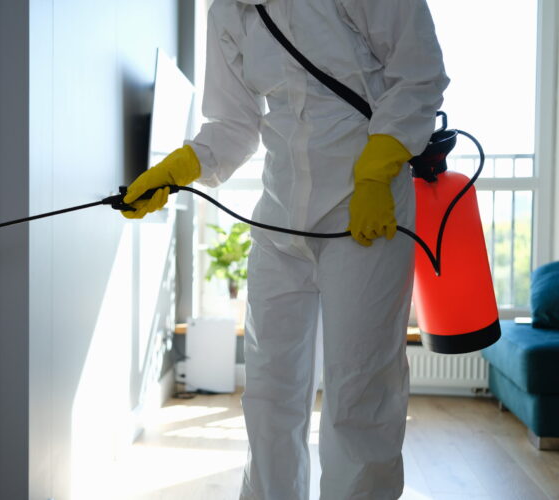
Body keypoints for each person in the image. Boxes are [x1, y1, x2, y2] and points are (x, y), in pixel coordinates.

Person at [122, 0, 448, 498]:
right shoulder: (227, 13)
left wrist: (377, 168)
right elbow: (233, 125)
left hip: (365, 209)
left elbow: (419, 73)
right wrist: (178, 170)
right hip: (278, 217)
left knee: (360, 392)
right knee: (270, 393)